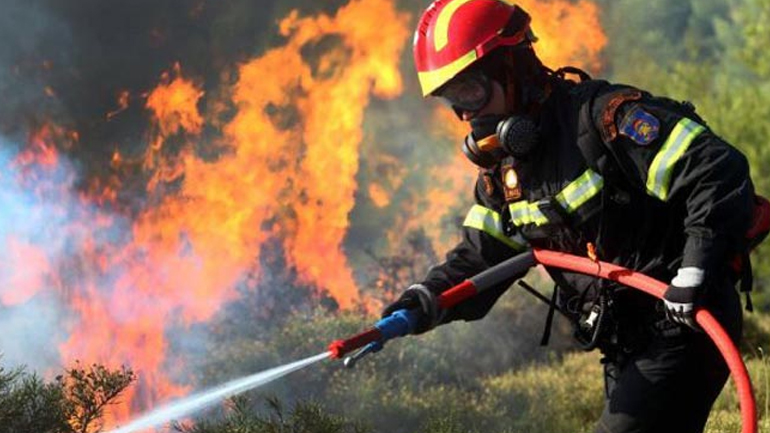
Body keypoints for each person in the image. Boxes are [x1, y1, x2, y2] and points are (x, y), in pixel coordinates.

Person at [382, 1, 768, 432]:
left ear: (513, 65)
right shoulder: (507, 172)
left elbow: (715, 169)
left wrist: (694, 272)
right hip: (624, 340)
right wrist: (424, 301)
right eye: (453, 99)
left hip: (684, 321)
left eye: (471, 91)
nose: (468, 114)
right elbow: (484, 252)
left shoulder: (605, 119)